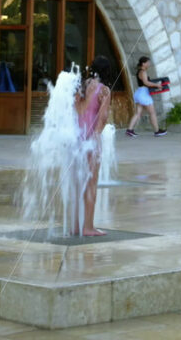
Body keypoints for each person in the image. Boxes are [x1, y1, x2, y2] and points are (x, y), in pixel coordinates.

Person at [74, 56, 111, 236]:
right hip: (91, 140)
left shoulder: (81, 86)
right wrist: (96, 139)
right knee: (91, 184)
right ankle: (88, 227)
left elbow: (74, 111)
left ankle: (74, 225)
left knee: (76, 183)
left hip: (75, 140)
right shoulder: (104, 90)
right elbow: (102, 118)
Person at [126, 56, 167, 137]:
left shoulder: (140, 71)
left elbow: (146, 83)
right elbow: (146, 83)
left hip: (139, 93)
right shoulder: (143, 72)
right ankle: (157, 131)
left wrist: (155, 86)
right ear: (143, 63)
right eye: (148, 62)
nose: (149, 64)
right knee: (152, 113)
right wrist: (157, 85)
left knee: (138, 113)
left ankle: (129, 130)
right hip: (143, 94)